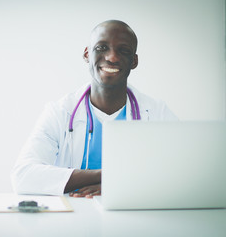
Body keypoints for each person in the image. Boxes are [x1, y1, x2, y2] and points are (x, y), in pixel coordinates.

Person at [11, 20, 177, 198]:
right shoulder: (60, 112)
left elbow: (184, 173)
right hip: (71, 218)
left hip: (136, 216)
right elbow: (23, 177)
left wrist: (121, 186)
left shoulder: (157, 112)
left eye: (124, 50)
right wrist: (112, 177)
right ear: (86, 54)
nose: (112, 57)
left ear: (134, 61)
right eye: (101, 47)